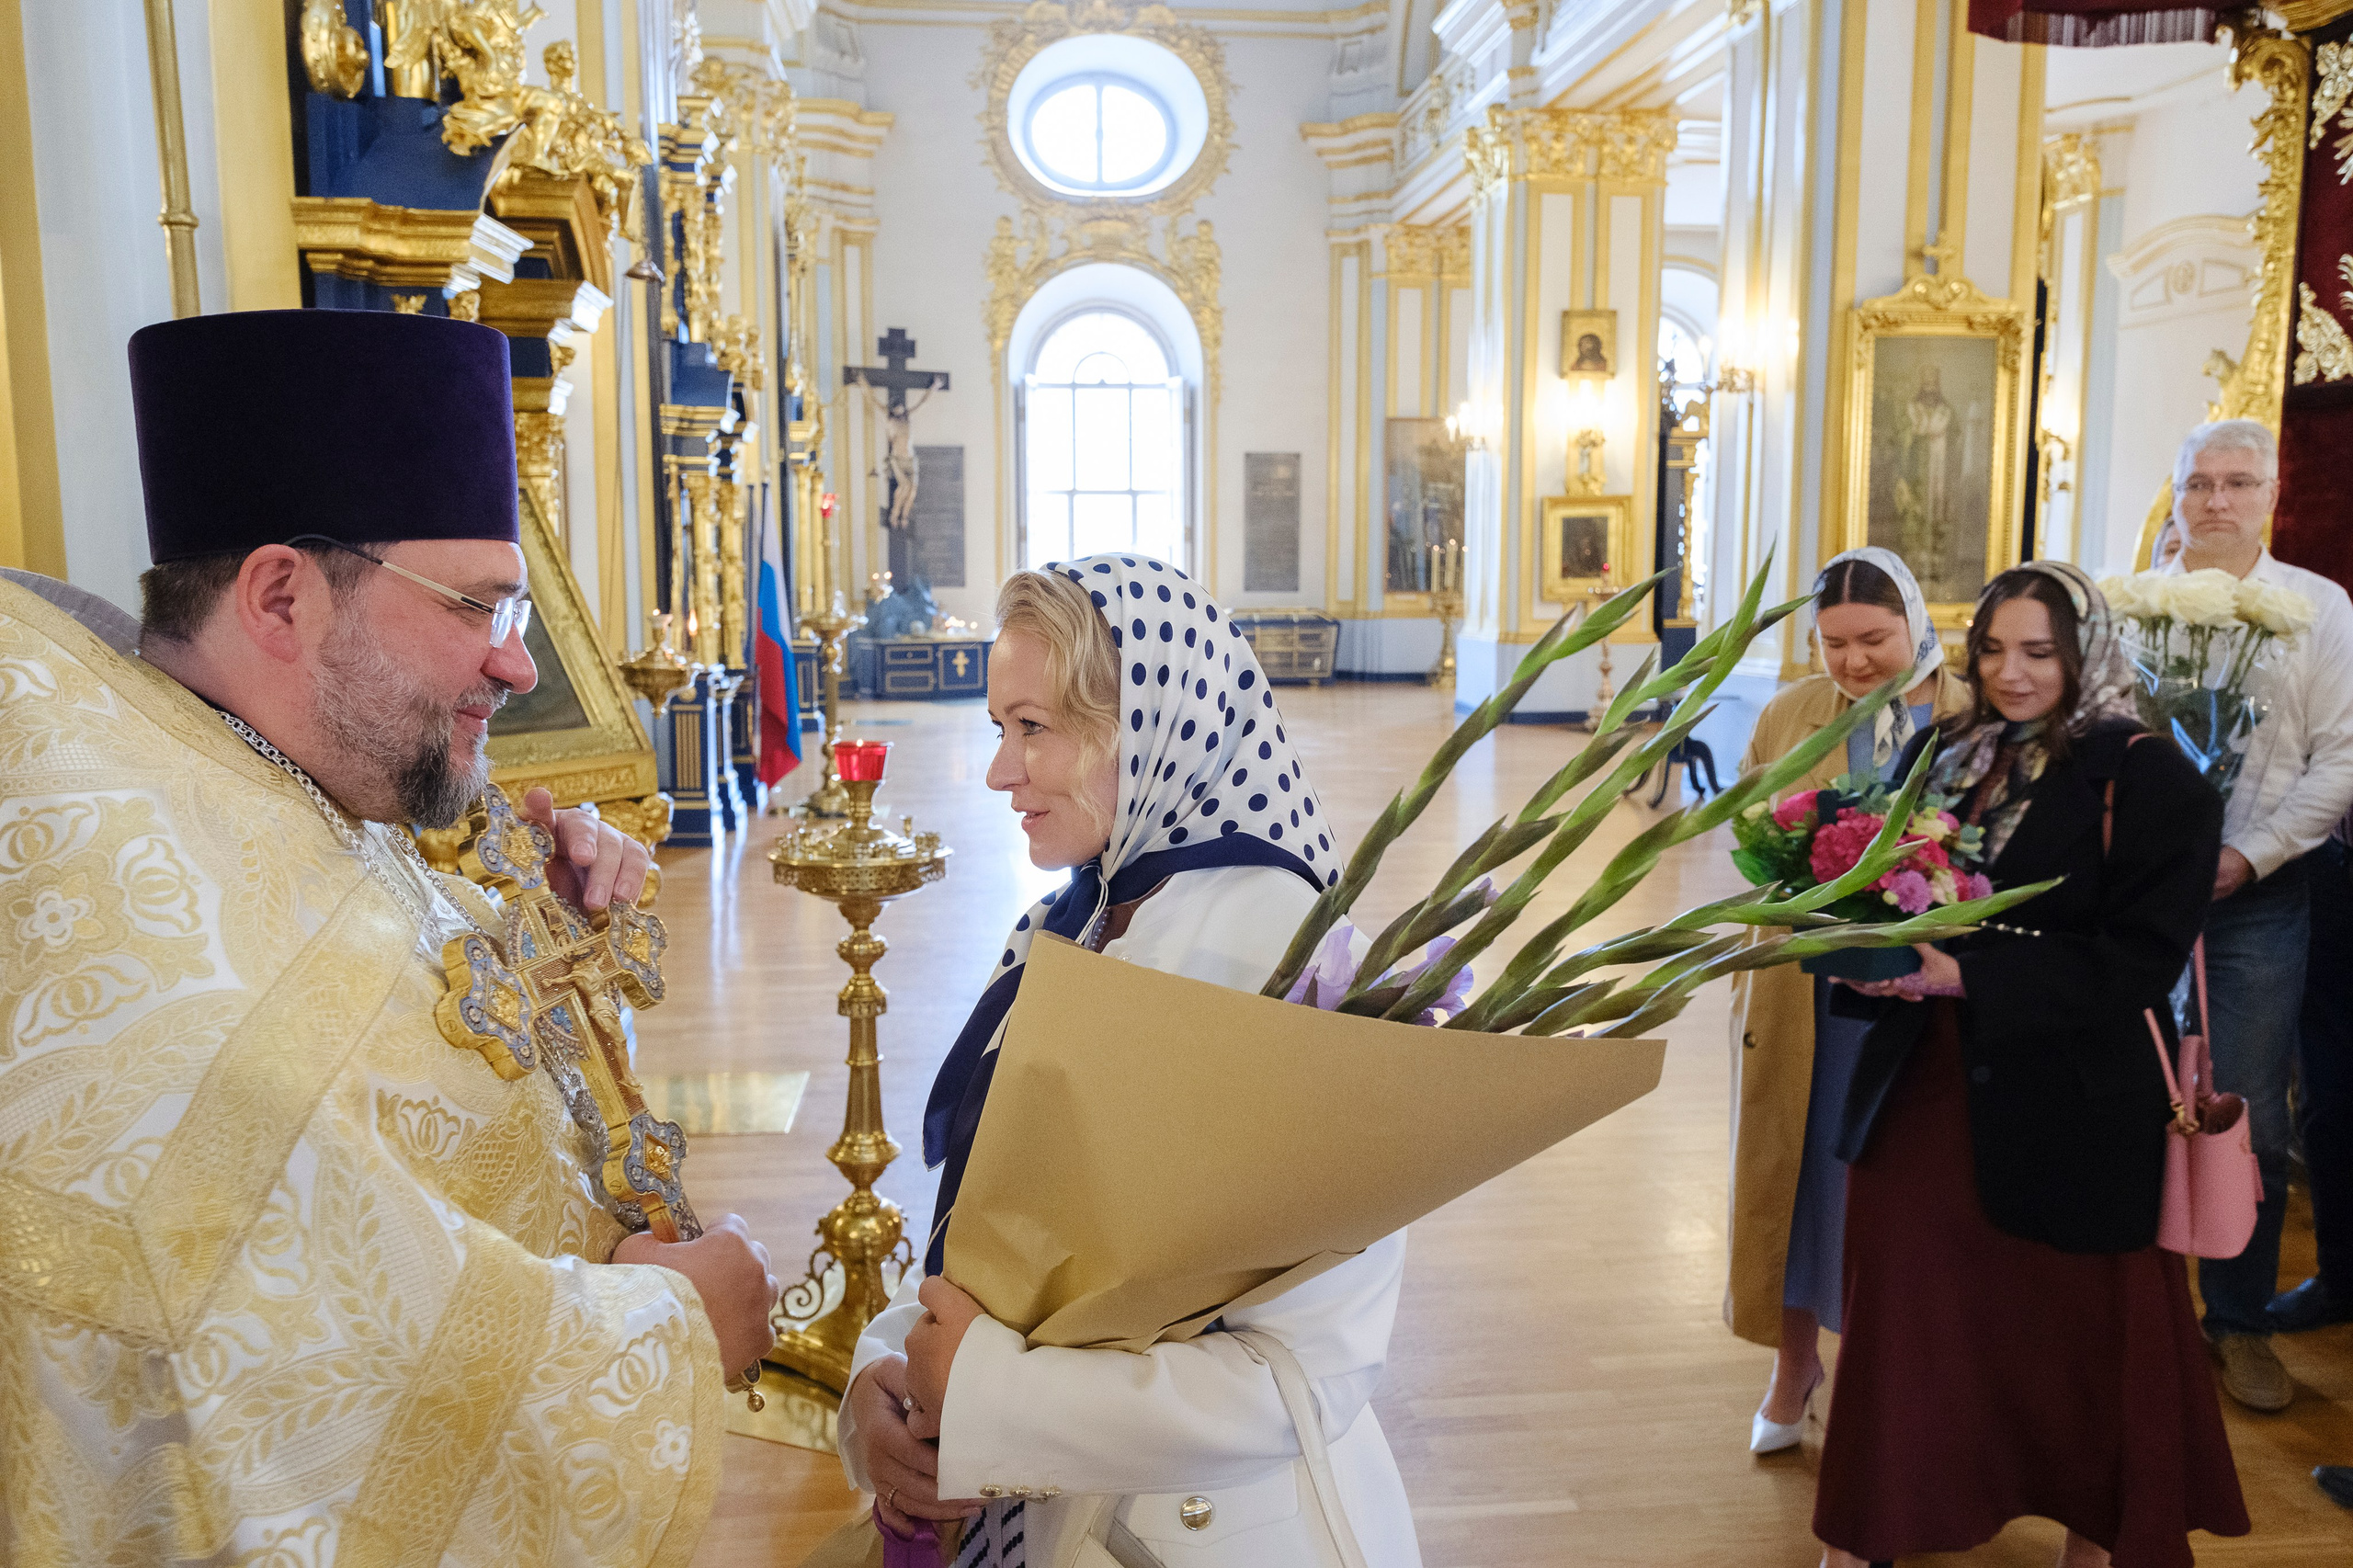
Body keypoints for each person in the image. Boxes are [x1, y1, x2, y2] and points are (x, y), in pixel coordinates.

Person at [0, 309, 780, 1563]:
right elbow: (335, 1391)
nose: (519, 666)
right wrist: (673, 1327)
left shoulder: (246, 779)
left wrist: (544, 932)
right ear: (279, 595)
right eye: (478, 606)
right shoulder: (162, 977)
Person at [835, 557, 1419, 1567]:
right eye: (997, 728)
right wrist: (882, 1377)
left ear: (1145, 726)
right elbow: (994, 1236)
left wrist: (984, 1396)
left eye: (1034, 727)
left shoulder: (1274, 953)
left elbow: (1303, 1371)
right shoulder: (1074, 922)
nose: (998, 770)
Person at [1813, 562, 2246, 1568]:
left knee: (2082, 1334)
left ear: (2084, 651)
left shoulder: (2150, 778)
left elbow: (2138, 959)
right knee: (1907, 1307)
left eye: (2039, 653)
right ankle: (1867, 1531)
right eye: (1994, 650)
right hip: (1926, 1082)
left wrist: (1971, 980)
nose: (2011, 673)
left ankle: (2089, 1542)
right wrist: (1865, 958)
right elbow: (1885, 889)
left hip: (2079, 1105)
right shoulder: (1944, 747)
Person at [1725, 547, 1972, 1455]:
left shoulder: (1970, 716)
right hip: (1808, 995)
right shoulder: (1791, 713)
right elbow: (1745, 842)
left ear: (1917, 622)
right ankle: (1794, 1367)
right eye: (1832, 643)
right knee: (1798, 1175)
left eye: (1873, 638)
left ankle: (1906, 1378)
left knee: (1908, 1190)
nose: (1854, 661)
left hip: (1930, 990)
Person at [2154, 420, 2353, 1409]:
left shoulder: (2317, 607)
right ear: (2176, 493)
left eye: (2237, 482)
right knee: (2121, 1100)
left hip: (2257, 895)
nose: (2216, 500)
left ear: (2271, 494)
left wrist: (2247, 854)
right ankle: (2134, 1313)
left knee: (2250, 1117)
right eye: (2198, 482)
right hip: (2137, 897)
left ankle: (2237, 1319)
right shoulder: (2122, 605)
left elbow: (2342, 760)